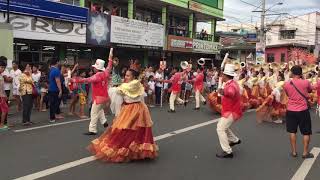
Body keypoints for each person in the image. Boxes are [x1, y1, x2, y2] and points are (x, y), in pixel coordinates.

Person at [88, 69, 158, 162]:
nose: (125, 77)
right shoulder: (134, 84)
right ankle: (134, 150)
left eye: (128, 75)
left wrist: (110, 85)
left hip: (133, 110)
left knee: (129, 129)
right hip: (133, 108)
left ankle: (131, 150)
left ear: (133, 77)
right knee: (131, 130)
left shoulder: (130, 85)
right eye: (125, 75)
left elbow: (118, 91)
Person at [72, 49, 113, 135]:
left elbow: (86, 80)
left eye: (94, 67)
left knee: (94, 113)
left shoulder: (97, 76)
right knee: (100, 110)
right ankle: (105, 123)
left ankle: (92, 130)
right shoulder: (106, 73)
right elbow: (109, 65)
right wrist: (110, 56)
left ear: (97, 68)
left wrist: (74, 79)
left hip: (98, 98)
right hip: (104, 97)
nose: (93, 68)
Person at [284, 65, 313, 158]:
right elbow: (309, 90)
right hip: (303, 110)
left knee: (292, 131)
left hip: (291, 110)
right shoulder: (306, 82)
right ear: (301, 73)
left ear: (292, 73)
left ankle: (294, 152)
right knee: (306, 132)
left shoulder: (287, 83)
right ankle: (305, 153)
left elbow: (288, 94)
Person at [216, 64, 243, 158]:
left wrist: (223, 92)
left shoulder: (232, 85)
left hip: (231, 111)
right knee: (224, 127)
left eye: (222, 75)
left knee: (220, 128)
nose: (221, 76)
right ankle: (235, 140)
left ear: (226, 76)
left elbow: (231, 92)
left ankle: (227, 151)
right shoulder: (230, 83)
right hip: (229, 110)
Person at [48, 58, 64, 123]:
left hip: (50, 89)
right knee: (55, 103)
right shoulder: (56, 70)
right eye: (59, 62)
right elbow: (57, 81)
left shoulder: (50, 69)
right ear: (57, 62)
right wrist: (60, 90)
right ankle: (52, 117)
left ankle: (54, 116)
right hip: (55, 89)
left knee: (53, 103)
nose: (59, 63)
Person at [0, 60, 9, 130]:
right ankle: (1, 125)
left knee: (4, 110)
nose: (2, 69)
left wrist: (5, 95)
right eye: (1, 67)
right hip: (1, 96)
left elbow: (2, 88)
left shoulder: (1, 75)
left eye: (4, 68)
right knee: (4, 109)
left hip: (2, 95)